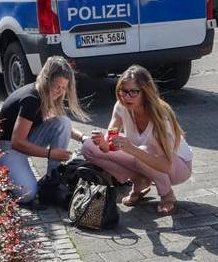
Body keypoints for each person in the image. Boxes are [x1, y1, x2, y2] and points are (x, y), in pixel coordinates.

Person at [82, 66, 193, 214]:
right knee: (89, 147)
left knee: (143, 151)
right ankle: (139, 181)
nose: (126, 97)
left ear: (146, 93)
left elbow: (166, 165)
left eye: (133, 92)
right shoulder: (121, 106)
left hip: (177, 167)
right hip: (142, 156)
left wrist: (132, 149)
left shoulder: (161, 116)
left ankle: (167, 195)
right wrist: (103, 144)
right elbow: (112, 141)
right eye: (123, 91)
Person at [0, 56, 89, 204]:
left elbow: (61, 124)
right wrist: (50, 154)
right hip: (6, 147)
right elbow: (17, 142)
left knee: (63, 122)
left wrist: (84, 138)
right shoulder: (31, 99)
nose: (60, 91)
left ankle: (53, 181)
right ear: (46, 80)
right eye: (57, 86)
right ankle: (3, 177)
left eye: (64, 88)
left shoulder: (48, 93)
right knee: (27, 195)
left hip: (24, 140)